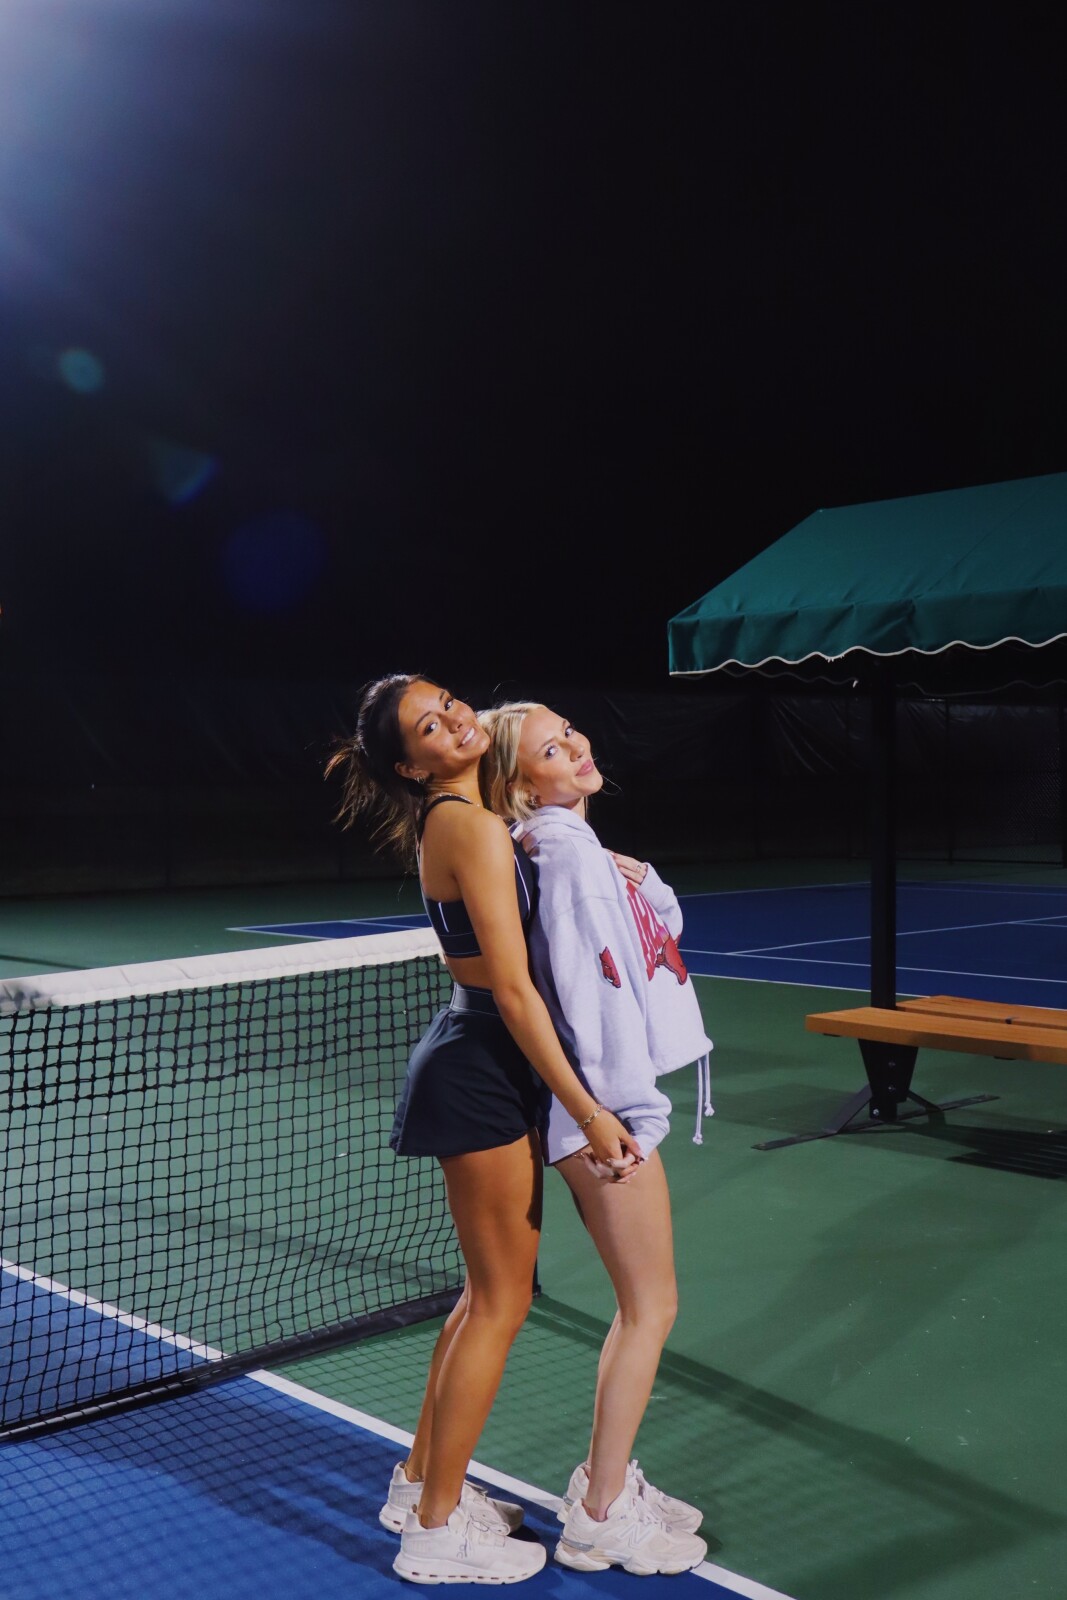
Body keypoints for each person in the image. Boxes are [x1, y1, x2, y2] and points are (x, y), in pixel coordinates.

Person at [326, 674, 642, 1586]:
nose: (456, 720)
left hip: (482, 1063)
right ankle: (433, 1532)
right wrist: (589, 1111)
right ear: (409, 765)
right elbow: (511, 988)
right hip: (479, 1070)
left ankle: (420, 1484)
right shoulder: (463, 825)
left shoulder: (472, 818)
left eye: (449, 703)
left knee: (480, 1297)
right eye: (430, 726)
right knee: (500, 1304)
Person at [479, 701, 713, 1578]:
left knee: (643, 1306)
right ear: (520, 783)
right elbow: (593, 994)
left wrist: (642, 879)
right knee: (650, 1308)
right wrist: (621, 1110)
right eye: (551, 748)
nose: (576, 746)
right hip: (601, 1115)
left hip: (592, 1110)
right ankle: (600, 1515)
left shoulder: (570, 847)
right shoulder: (567, 854)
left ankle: (603, 1485)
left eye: (570, 731)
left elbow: (651, 938)